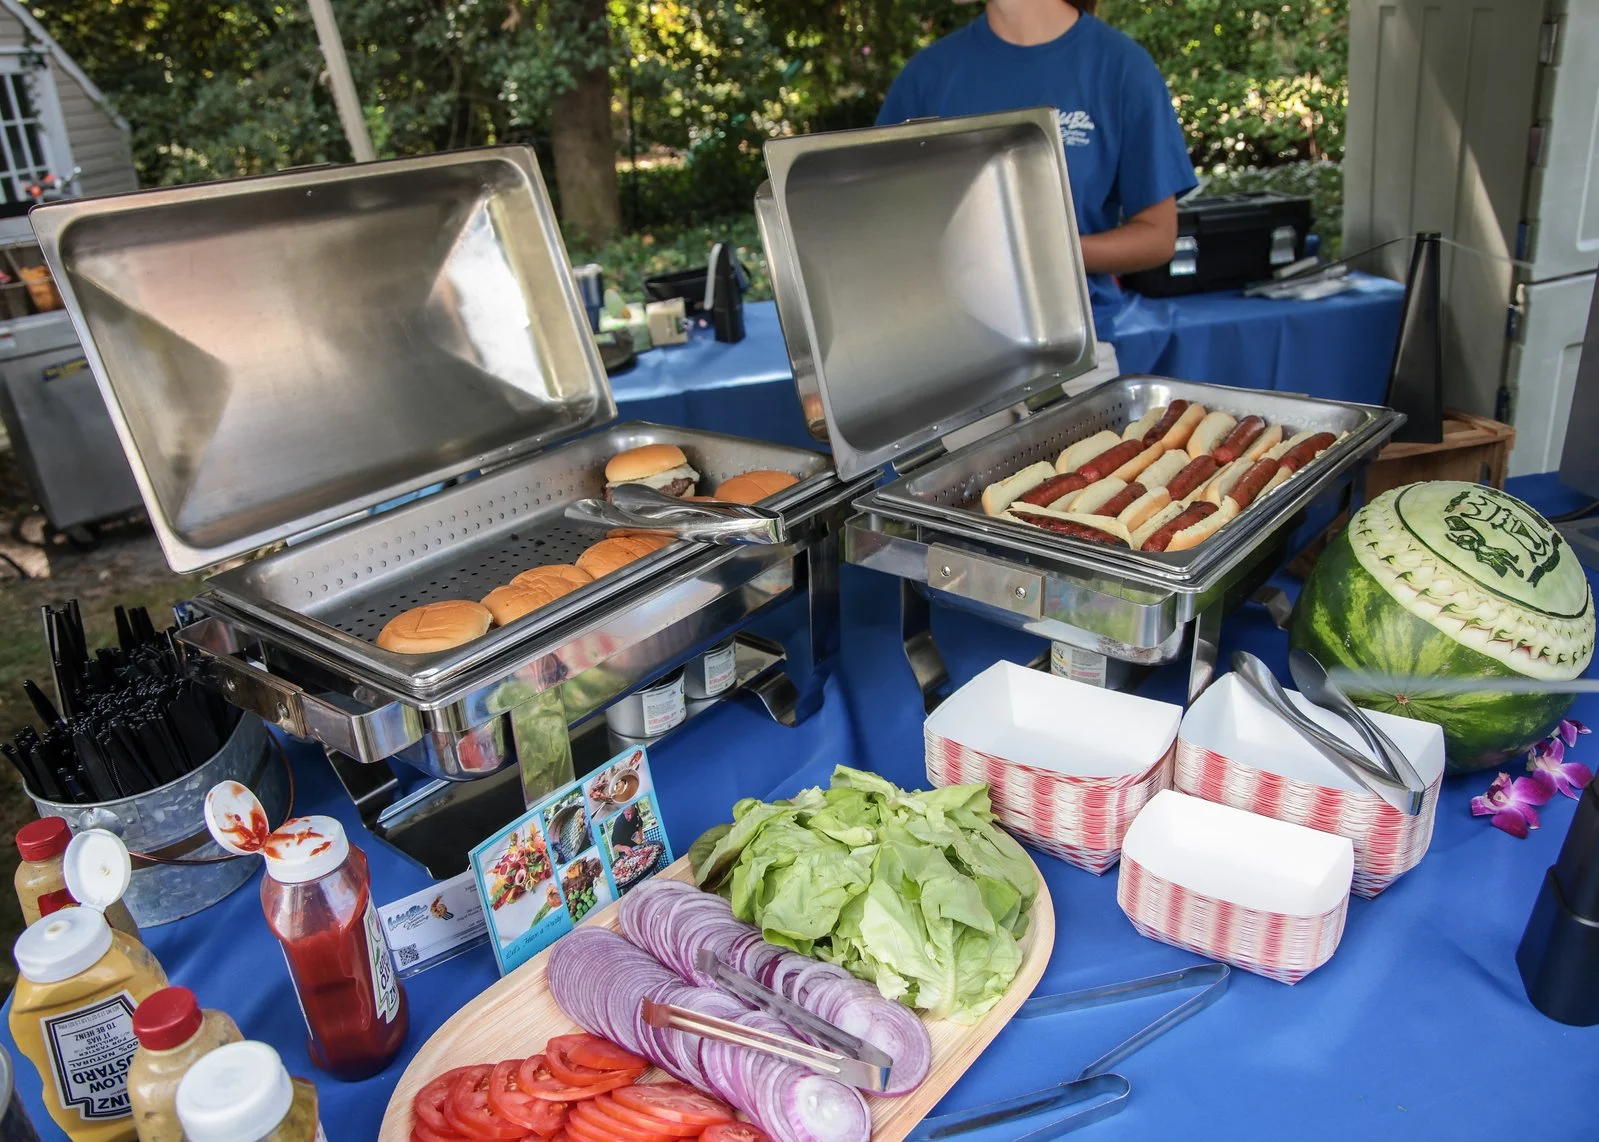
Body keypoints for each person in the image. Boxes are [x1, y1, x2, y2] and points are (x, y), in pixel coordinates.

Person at [878, 0, 1196, 346]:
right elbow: (880, 223)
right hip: (946, 350)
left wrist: (1036, 252)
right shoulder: (927, 75)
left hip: (1072, 352)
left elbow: (1157, 237)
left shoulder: (1121, 68)